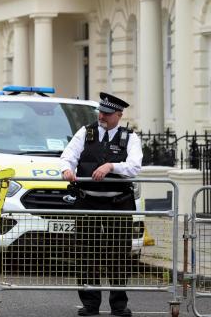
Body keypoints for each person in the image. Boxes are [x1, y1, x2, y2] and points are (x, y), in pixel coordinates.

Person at [60, 92, 142, 317]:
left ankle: (119, 305)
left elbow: (134, 167)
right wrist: (66, 168)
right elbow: (68, 155)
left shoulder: (130, 138)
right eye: (100, 112)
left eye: (106, 113)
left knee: (119, 254)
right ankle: (90, 304)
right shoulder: (85, 133)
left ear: (119, 114)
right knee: (86, 253)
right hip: (88, 202)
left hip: (119, 203)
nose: (101, 116)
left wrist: (111, 167)